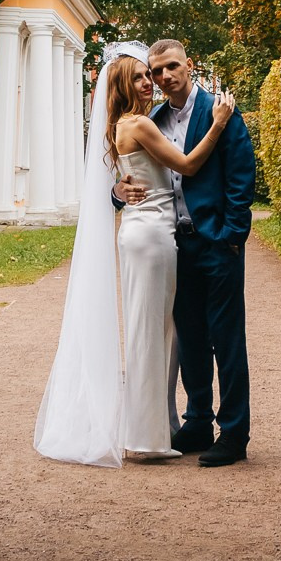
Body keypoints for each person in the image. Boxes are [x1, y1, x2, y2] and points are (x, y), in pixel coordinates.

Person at [33, 42, 234, 468]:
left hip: (148, 232)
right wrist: (217, 124)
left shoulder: (123, 125)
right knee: (149, 334)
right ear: (123, 85)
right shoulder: (140, 123)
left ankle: (158, 427)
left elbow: (124, 178)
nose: (149, 82)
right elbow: (187, 166)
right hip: (151, 237)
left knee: (161, 332)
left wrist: (119, 189)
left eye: (149, 75)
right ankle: (144, 437)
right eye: (140, 77)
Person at [141, 37, 257, 466]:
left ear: (188, 64)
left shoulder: (219, 110)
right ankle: (197, 422)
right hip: (176, 245)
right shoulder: (153, 119)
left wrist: (232, 235)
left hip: (217, 243)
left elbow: (242, 173)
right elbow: (134, 172)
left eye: (172, 66)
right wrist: (120, 191)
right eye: (157, 71)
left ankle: (234, 434)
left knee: (226, 340)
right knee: (189, 339)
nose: (164, 76)